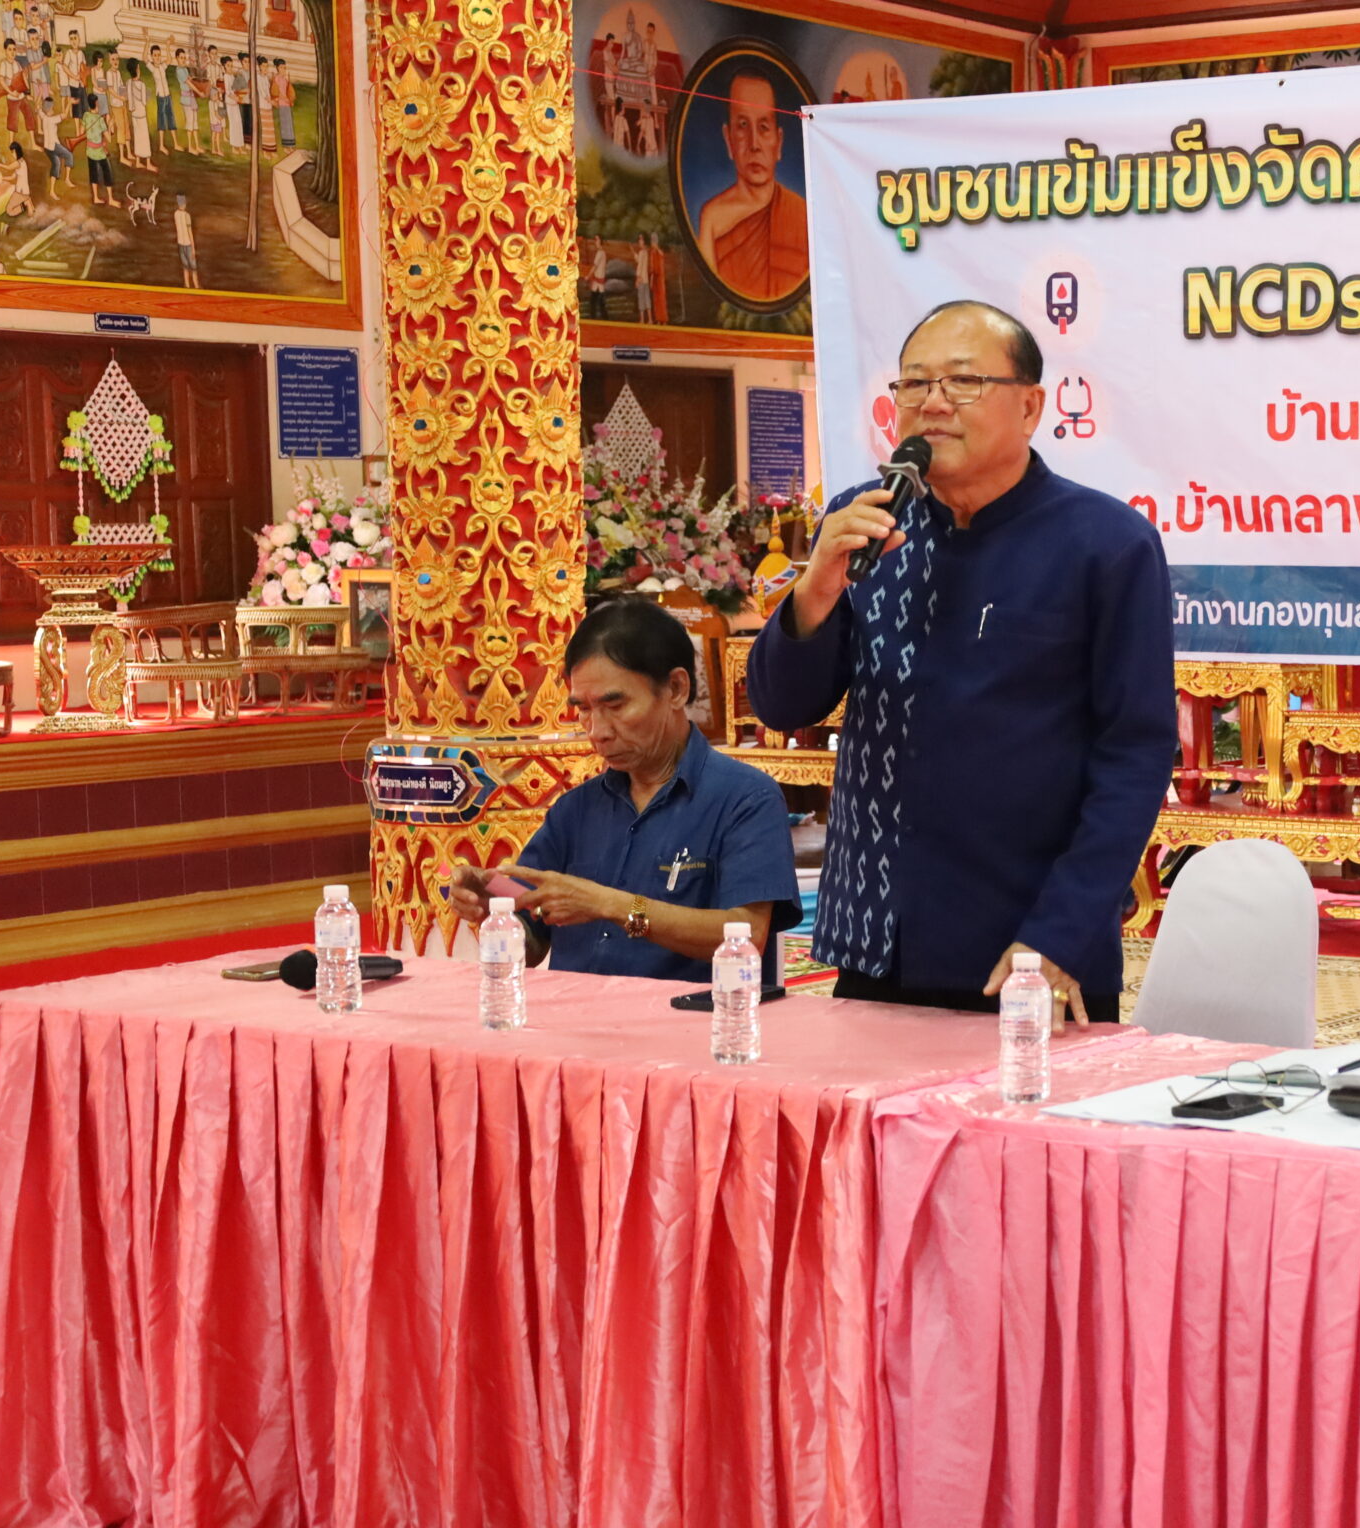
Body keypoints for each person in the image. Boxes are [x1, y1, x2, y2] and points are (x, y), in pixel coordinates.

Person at [746, 300, 1174, 1024]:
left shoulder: (1107, 543)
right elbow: (785, 707)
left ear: (1031, 407)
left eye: (964, 382)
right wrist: (814, 591)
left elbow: (1135, 754)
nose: (933, 403)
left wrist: (1060, 931)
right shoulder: (865, 523)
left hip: (1026, 949)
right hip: (876, 940)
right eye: (914, 383)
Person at [448, 598, 801, 979]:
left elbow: (748, 935)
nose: (597, 731)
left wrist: (611, 906)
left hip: (692, 1014)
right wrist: (494, 912)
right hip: (579, 1012)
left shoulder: (745, 799)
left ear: (676, 689)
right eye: (583, 709)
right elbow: (531, 947)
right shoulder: (575, 811)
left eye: (614, 705)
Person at [692, 70, 806, 303]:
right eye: (743, 125)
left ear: (779, 141)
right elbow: (712, 303)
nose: (754, 144)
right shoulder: (713, 218)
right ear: (729, 139)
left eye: (764, 127)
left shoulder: (804, 215)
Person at [172, 192, 197, 288]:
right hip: (188, 244)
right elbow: (190, 232)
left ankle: (187, 285)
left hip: (180, 243)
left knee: (185, 266)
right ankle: (196, 285)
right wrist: (193, 248)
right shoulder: (187, 215)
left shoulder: (175, 214)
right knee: (193, 267)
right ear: (184, 203)